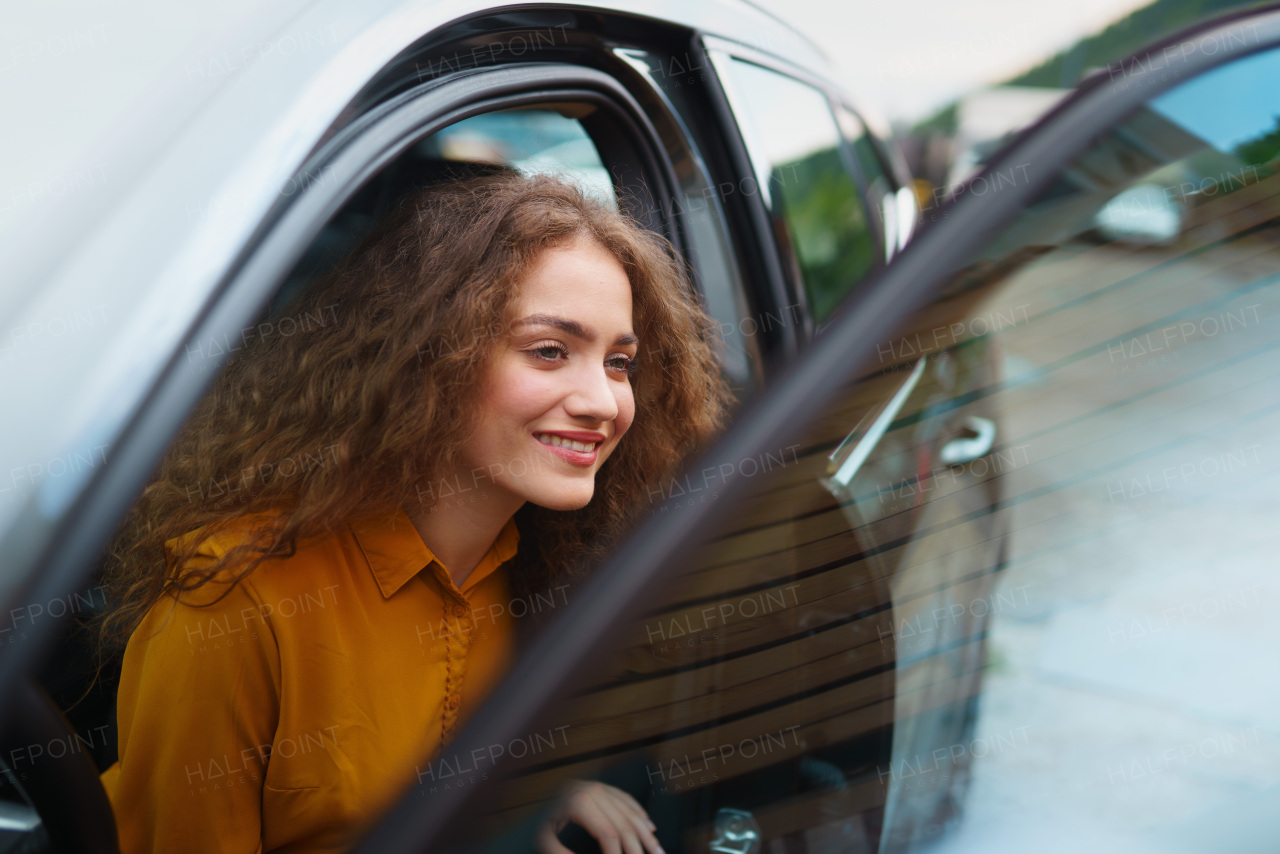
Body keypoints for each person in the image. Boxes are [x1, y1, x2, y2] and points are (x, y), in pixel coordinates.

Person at [96, 171, 731, 854]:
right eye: (550, 351)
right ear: (429, 358)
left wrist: (531, 799)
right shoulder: (232, 599)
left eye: (618, 362)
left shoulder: (549, 570)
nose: (603, 403)